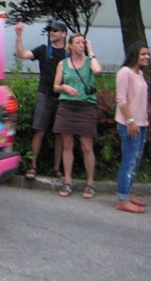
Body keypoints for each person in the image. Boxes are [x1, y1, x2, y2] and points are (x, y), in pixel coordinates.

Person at [15, 21, 67, 180]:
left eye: (55, 30)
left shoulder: (69, 54)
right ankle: (33, 167)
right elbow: (21, 55)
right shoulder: (43, 50)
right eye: (50, 30)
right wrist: (18, 35)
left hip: (63, 97)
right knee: (39, 131)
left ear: (64, 34)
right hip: (44, 95)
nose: (51, 32)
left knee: (60, 134)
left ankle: (57, 169)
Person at [52, 33, 102, 198]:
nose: (81, 45)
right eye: (78, 42)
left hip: (86, 106)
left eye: (83, 42)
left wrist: (91, 51)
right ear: (70, 46)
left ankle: (90, 183)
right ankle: (68, 180)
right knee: (67, 144)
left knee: (87, 146)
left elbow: (98, 70)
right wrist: (65, 87)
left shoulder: (89, 62)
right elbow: (55, 86)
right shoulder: (63, 64)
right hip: (67, 106)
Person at [115, 42, 150, 214]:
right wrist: (130, 121)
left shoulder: (140, 73)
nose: (147, 57)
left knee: (135, 161)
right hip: (130, 124)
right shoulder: (125, 73)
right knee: (128, 161)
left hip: (142, 124)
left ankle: (127, 194)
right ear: (135, 55)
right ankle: (123, 199)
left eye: (148, 54)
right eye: (143, 54)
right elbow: (121, 100)